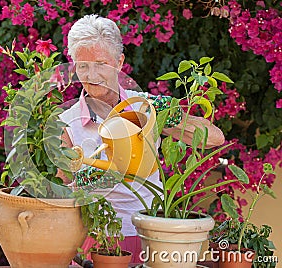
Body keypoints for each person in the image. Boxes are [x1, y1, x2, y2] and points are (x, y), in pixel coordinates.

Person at [59, 14, 225, 264]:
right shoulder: (68, 124)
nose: (92, 74)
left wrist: (164, 115)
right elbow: (60, 195)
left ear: (119, 62)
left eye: (101, 63)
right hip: (94, 240)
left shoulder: (145, 107)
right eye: (83, 65)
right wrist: (87, 181)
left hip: (151, 233)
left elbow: (214, 139)